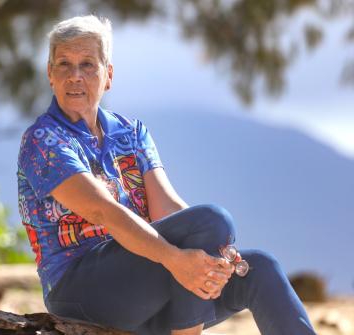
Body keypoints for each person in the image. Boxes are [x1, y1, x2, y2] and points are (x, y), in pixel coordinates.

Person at [17, 15, 316, 335]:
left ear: (108, 75)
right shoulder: (43, 140)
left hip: (144, 282)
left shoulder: (131, 132)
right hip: (79, 292)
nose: (75, 75)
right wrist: (177, 258)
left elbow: (167, 209)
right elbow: (102, 210)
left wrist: (216, 252)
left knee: (259, 268)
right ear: (50, 74)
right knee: (211, 220)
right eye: (64, 64)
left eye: (88, 64)